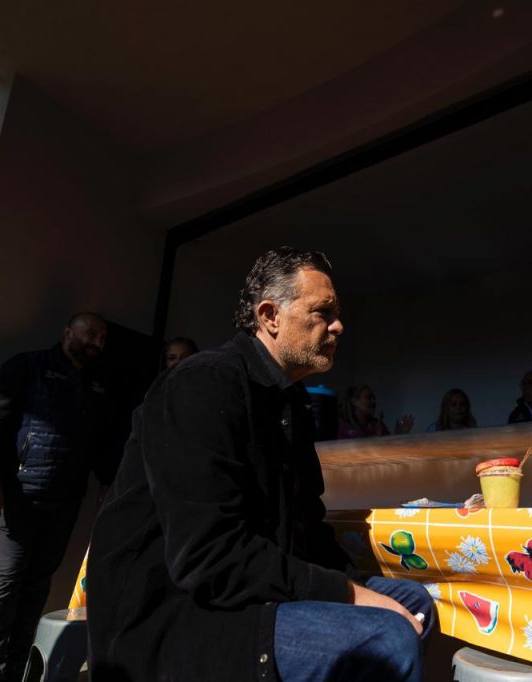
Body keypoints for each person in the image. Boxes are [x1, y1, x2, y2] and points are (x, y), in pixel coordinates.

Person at [87, 248, 435, 682]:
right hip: (179, 613)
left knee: (414, 603)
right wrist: (347, 594)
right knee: (387, 639)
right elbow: (207, 557)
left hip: (253, 589)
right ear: (270, 315)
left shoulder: (291, 404)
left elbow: (307, 527)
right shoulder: (203, 382)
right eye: (323, 312)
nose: (338, 326)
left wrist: (354, 586)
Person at [0, 312, 126, 682]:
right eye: (90, 333)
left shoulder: (99, 385)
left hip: (64, 502)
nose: (96, 342)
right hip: (15, 496)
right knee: (3, 581)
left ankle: (15, 670)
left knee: (37, 585)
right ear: (67, 332)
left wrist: (107, 482)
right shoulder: (28, 366)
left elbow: (100, 441)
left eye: (102, 338)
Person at [338, 384, 414, 438]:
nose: (373, 401)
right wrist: (375, 437)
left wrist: (399, 434)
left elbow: (388, 449)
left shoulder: (376, 424)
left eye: (373, 398)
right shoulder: (341, 426)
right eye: (368, 397)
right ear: (354, 401)